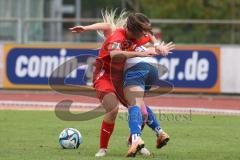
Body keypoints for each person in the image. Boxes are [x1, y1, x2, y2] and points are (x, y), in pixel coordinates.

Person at [69, 10, 174, 157]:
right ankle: (103, 148)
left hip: (121, 77)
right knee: (112, 108)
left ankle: (135, 142)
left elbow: (149, 35)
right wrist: (86, 28)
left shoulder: (137, 36)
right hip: (104, 75)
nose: (144, 35)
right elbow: (115, 54)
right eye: (141, 32)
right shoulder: (117, 36)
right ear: (133, 31)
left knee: (141, 112)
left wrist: (157, 45)